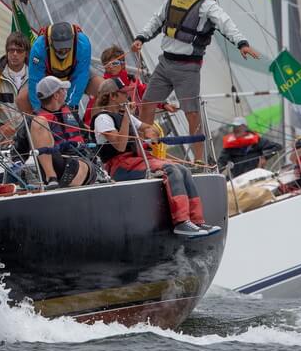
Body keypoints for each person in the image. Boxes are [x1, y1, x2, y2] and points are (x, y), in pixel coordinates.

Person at [130, 0, 261, 162]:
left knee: (192, 114)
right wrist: (141, 37)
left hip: (187, 68)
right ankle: (143, 152)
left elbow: (226, 24)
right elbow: (156, 20)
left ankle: (199, 160)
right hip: (165, 63)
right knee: (146, 104)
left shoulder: (207, 4)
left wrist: (242, 44)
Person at [90, 79, 220, 237]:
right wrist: (127, 118)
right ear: (113, 96)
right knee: (170, 169)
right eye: (125, 93)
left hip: (137, 160)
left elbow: (149, 128)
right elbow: (120, 146)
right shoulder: (102, 119)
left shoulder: (124, 115)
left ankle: (197, 221)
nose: (129, 96)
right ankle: (181, 222)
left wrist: (150, 133)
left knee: (183, 170)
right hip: (119, 166)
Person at [22, 76, 97, 188]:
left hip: (80, 159)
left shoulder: (71, 113)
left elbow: (87, 137)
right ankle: (51, 178)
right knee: (39, 122)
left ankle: (62, 187)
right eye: (63, 90)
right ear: (56, 96)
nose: (66, 92)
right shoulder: (34, 120)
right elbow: (19, 149)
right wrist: (17, 167)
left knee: (77, 165)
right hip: (54, 161)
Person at [82, 45, 177, 126]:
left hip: (135, 125)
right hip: (113, 127)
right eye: (106, 65)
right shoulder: (104, 86)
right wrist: (87, 125)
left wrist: (164, 104)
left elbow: (148, 93)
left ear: (123, 64)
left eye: (114, 63)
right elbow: (92, 109)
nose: (110, 67)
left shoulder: (134, 82)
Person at [27, 21, 101, 113]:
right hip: (48, 78)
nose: (63, 50)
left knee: (104, 89)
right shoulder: (39, 47)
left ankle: (95, 122)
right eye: (59, 47)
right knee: (22, 99)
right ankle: (33, 122)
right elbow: (35, 81)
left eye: (66, 47)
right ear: (51, 40)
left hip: (74, 73)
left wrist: (69, 105)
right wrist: (40, 111)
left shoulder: (83, 44)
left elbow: (81, 76)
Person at [218, 117, 283, 178]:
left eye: (238, 126)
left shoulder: (258, 141)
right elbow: (221, 162)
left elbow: (277, 146)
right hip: (239, 180)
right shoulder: (230, 146)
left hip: (257, 177)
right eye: (234, 127)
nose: (235, 129)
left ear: (245, 127)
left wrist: (265, 157)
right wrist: (216, 172)